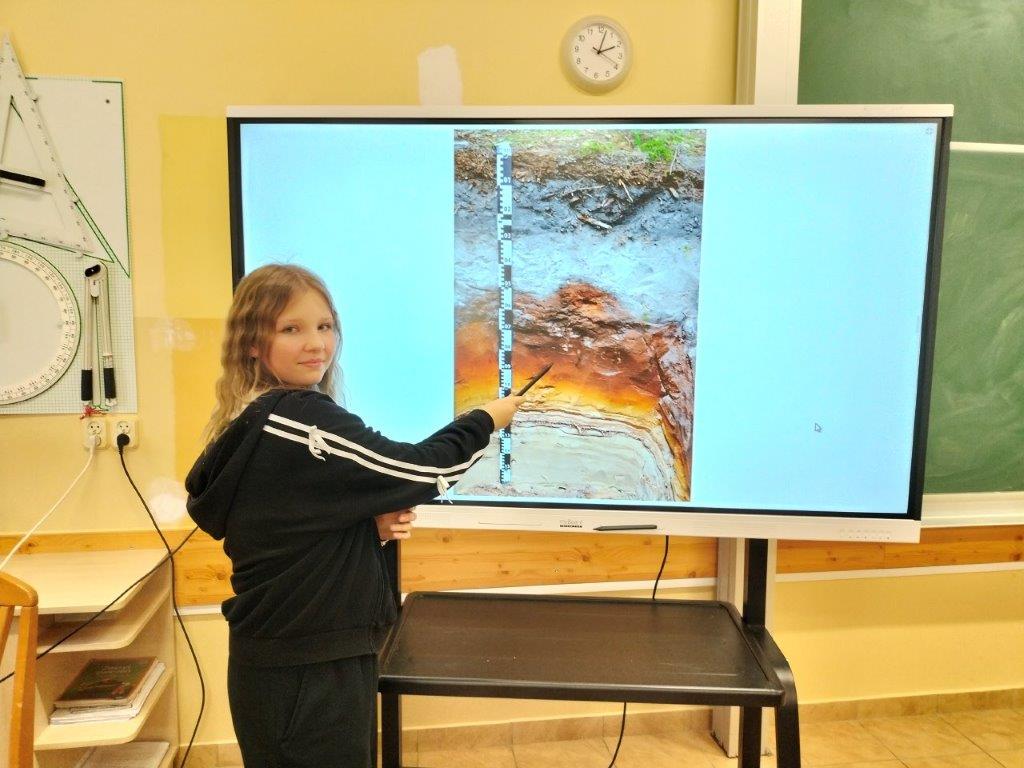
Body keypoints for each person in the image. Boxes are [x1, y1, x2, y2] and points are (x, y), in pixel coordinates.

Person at [185, 264, 523, 768]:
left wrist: (368, 529)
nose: (315, 344)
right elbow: (419, 469)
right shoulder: (297, 419)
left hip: (294, 661)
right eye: (291, 328)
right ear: (252, 343)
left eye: (324, 326)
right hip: (307, 670)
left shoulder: (258, 419)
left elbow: (288, 534)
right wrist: (485, 420)